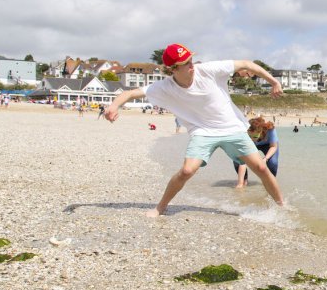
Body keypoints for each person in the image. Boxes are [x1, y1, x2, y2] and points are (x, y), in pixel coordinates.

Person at [105, 43, 284, 216]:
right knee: (187, 171)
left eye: (191, 60)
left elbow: (246, 64)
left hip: (232, 128)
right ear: (173, 69)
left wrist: (274, 81)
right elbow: (129, 93)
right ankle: (160, 207)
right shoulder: (164, 87)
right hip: (203, 132)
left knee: (261, 167)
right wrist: (113, 106)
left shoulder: (207, 70)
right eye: (187, 63)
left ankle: (281, 206)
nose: (192, 65)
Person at [234, 117, 279, 188]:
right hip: (252, 146)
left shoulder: (270, 129)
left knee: (273, 162)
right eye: (249, 136)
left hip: (268, 145)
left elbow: (273, 147)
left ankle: (271, 182)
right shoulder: (243, 131)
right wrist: (240, 183)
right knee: (237, 159)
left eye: (254, 136)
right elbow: (242, 162)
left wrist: (265, 159)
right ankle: (244, 181)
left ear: (261, 131)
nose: (252, 139)